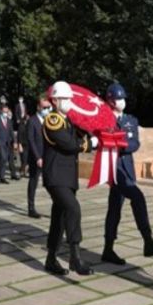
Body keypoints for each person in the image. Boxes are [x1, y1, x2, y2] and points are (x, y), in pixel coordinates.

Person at [102, 83, 153, 264]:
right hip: (113, 168)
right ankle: (148, 242)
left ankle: (108, 249)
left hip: (127, 169)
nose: (121, 101)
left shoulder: (130, 120)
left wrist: (119, 143)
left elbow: (134, 144)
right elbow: (103, 141)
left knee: (114, 208)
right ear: (109, 100)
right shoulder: (103, 119)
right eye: (118, 98)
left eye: (123, 98)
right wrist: (119, 141)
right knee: (137, 198)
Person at [43, 81, 97, 276]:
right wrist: (89, 144)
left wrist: (91, 129)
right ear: (55, 100)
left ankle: (51, 258)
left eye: (69, 99)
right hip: (56, 176)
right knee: (73, 208)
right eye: (64, 99)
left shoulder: (68, 121)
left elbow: (80, 134)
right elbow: (68, 144)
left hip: (67, 177)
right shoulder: (53, 120)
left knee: (59, 217)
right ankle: (74, 257)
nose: (68, 102)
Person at [27, 98, 51, 218]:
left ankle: (57, 206)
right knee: (34, 181)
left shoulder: (49, 120)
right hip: (36, 157)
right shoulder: (32, 121)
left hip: (48, 156)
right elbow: (31, 140)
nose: (46, 110)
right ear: (38, 107)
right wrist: (37, 157)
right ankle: (31, 207)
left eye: (48, 107)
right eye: (44, 107)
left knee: (52, 182)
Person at [0, 105, 15, 183]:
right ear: (1, 111)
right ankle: (2, 177)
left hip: (7, 142)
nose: (6, 113)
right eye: (4, 111)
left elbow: (11, 131)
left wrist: (14, 141)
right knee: (4, 158)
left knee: (2, 160)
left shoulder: (8, 120)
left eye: (7, 111)